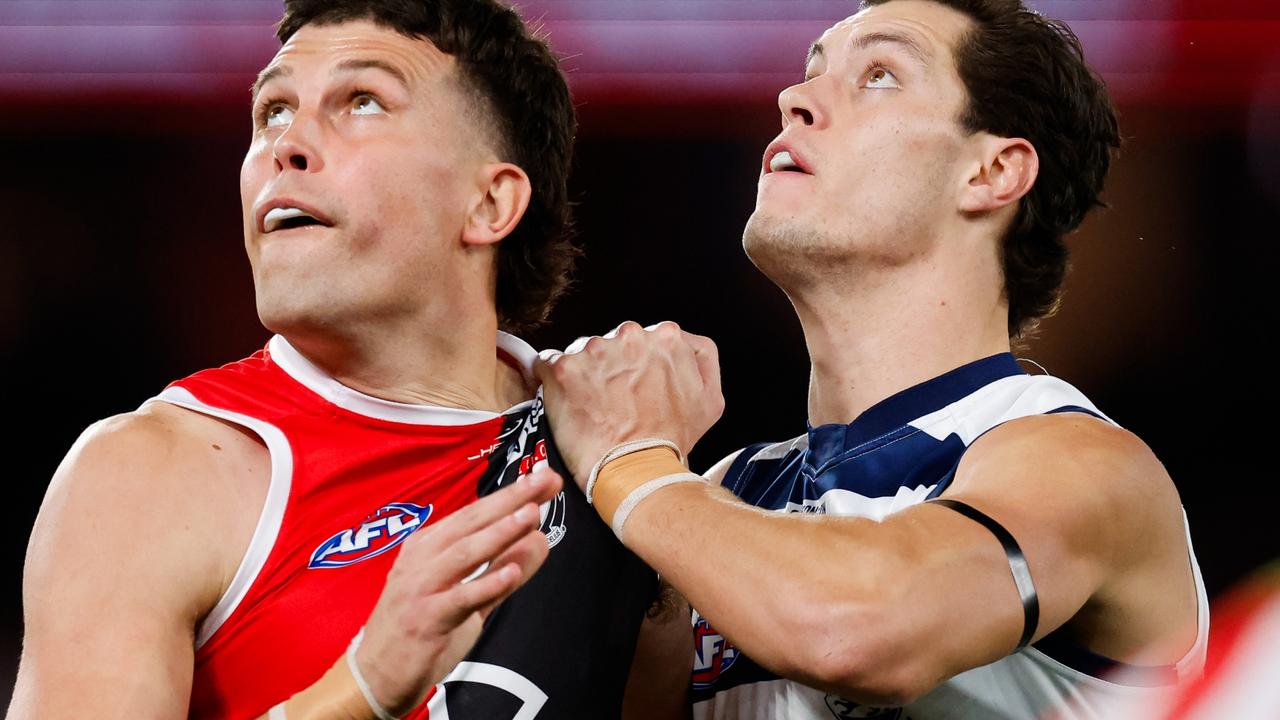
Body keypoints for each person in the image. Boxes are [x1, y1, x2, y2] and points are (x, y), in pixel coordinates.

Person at [535, 1, 1208, 718]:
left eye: (880, 74)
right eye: (810, 73)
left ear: (992, 171)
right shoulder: (726, 490)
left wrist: (629, 459)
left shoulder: (1081, 463)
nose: (795, 99)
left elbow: (855, 631)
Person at [8, 1, 655, 718]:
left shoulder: (616, 447)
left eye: (362, 102)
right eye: (272, 111)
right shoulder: (154, 474)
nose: (288, 144)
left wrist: (657, 485)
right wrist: (365, 685)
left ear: (489, 203)